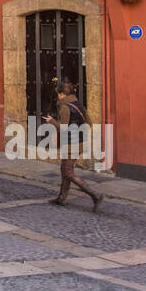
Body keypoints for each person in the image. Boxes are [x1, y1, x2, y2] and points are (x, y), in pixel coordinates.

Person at [45, 79, 103, 212]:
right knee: (64, 169)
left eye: (59, 94)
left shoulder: (65, 107)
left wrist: (52, 121)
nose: (58, 96)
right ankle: (61, 198)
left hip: (71, 144)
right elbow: (89, 122)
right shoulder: (77, 104)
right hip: (80, 142)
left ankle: (95, 195)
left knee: (68, 171)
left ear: (62, 94)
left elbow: (63, 128)